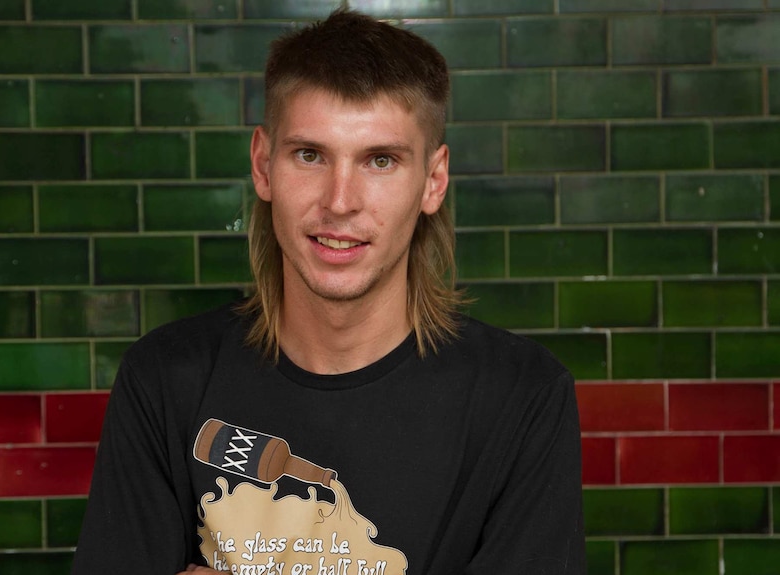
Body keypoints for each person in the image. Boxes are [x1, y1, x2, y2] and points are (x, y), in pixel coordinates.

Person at [72, 9, 585, 575]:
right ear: (263, 165)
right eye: (310, 155)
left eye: (380, 160)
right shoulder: (164, 380)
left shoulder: (523, 398)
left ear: (432, 181)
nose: (340, 201)